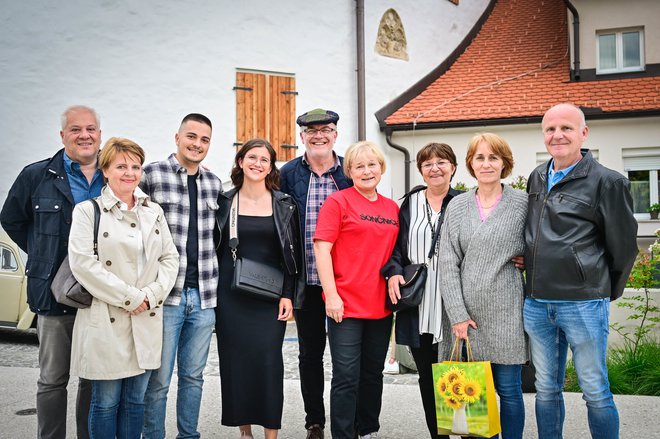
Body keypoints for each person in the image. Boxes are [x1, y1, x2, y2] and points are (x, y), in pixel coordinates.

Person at [524, 103, 638, 439]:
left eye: (566, 128)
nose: (557, 135)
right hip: (537, 304)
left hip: (583, 304)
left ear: (583, 134)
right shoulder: (537, 176)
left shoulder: (608, 182)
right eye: (550, 129)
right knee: (545, 389)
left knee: (594, 389)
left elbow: (624, 247)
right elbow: (534, 231)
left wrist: (602, 289)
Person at [0, 105, 104, 439]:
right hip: (52, 293)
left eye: (90, 129)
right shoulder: (36, 175)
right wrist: (44, 257)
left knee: (93, 379)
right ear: (63, 135)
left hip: (100, 296)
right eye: (76, 129)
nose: (84, 135)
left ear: (99, 134)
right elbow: (12, 219)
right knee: (52, 379)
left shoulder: (113, 174)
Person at [68, 137, 179, 438]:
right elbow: (83, 264)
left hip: (147, 317)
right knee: (105, 403)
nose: (129, 173)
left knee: (134, 402)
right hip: (107, 318)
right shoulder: (87, 212)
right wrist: (132, 298)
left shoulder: (152, 210)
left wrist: (154, 294)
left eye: (135, 166)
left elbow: (170, 257)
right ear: (105, 170)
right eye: (121, 166)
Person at [438, 133, 528, 439]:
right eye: (480, 157)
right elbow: (447, 263)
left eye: (493, 157)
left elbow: (540, 245)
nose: (486, 163)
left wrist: (528, 259)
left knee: (509, 391)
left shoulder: (522, 203)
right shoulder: (458, 205)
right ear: (470, 164)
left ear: (504, 163)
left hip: (506, 313)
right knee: (471, 390)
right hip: (466, 316)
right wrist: (457, 315)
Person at [141, 113, 223, 439]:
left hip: (203, 296)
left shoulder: (215, 184)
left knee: (194, 377)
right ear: (177, 137)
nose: (197, 144)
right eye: (191, 137)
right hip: (166, 297)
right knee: (158, 379)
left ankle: (188, 435)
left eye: (204, 140)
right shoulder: (151, 175)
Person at [214, 138, 302, 439]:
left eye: (264, 160)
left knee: (268, 363)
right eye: (252, 157)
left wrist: (288, 294)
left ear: (270, 166)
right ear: (241, 161)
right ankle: (245, 432)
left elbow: (292, 255)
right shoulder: (224, 201)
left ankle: (270, 434)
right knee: (235, 363)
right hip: (230, 296)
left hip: (269, 296)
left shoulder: (284, 203)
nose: (257, 164)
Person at [314, 141, 399, 439]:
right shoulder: (338, 202)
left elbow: (396, 256)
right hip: (345, 307)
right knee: (346, 377)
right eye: (359, 166)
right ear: (349, 171)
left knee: (372, 374)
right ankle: (343, 434)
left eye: (372, 164)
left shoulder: (391, 208)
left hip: (381, 307)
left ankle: (368, 430)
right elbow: (322, 250)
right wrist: (332, 295)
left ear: (381, 168)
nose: (366, 171)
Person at [381, 142, 463, 439]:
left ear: (453, 167)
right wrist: (392, 273)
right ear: (421, 170)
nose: (435, 168)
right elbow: (394, 251)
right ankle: (438, 435)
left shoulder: (466, 203)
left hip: (455, 305)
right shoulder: (409, 204)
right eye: (428, 164)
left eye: (442, 162)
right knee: (428, 380)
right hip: (418, 304)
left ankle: (467, 432)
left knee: (460, 377)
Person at [279, 108, 352, 439]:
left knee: (345, 357)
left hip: (345, 283)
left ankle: (345, 422)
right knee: (310, 355)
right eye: (312, 131)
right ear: (302, 137)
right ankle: (315, 422)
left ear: (335, 134)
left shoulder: (349, 173)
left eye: (326, 129)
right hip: (305, 282)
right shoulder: (289, 173)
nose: (319, 135)